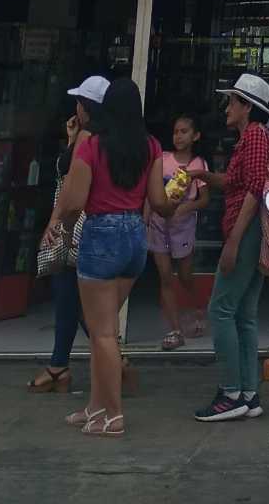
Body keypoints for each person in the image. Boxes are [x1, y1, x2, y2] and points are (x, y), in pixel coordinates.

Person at [43, 75, 172, 439]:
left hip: (101, 234)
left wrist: (64, 228)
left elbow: (74, 202)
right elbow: (158, 202)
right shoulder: (151, 146)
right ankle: (95, 407)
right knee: (103, 328)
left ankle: (112, 415)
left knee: (102, 333)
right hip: (134, 237)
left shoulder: (92, 146)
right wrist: (176, 203)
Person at [196, 73, 269, 423]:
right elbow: (235, 182)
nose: (227, 108)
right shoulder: (252, 138)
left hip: (246, 232)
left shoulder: (256, 136)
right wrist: (202, 176)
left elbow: (255, 189)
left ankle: (231, 393)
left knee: (220, 309)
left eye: (232, 101)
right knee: (243, 314)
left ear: (247, 107)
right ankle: (248, 393)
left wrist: (233, 240)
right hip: (251, 232)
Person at [28, 77, 104, 393]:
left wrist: (55, 223)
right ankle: (60, 365)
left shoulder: (88, 138)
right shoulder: (95, 137)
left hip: (75, 221)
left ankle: (109, 359)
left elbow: (71, 184)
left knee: (71, 296)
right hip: (83, 221)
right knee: (70, 296)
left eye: (79, 102)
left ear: (85, 107)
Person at [148, 112, 209, 350]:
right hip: (158, 224)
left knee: (184, 275)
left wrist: (186, 207)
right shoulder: (162, 159)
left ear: (196, 136)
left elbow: (204, 199)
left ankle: (198, 309)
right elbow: (150, 193)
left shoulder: (198, 164)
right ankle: (174, 330)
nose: (179, 136)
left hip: (183, 226)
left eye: (184, 132)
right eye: (175, 132)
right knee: (165, 276)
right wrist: (145, 218)